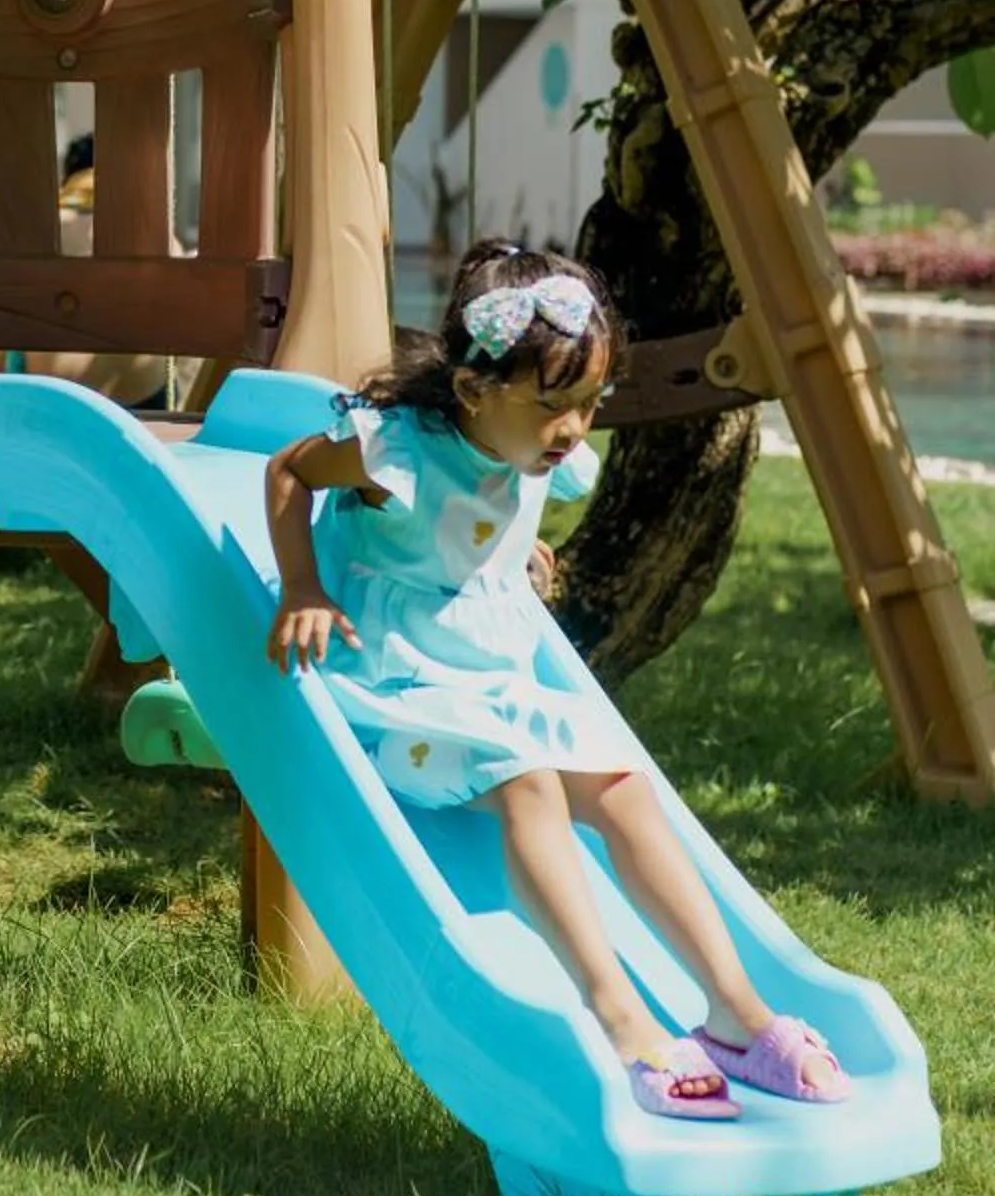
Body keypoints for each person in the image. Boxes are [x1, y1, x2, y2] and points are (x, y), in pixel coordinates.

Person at [263, 240, 851, 1122]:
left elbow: (487, 508)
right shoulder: (396, 452)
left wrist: (507, 550)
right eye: (556, 407)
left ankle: (736, 1010)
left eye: (589, 402)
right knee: (530, 783)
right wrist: (303, 588)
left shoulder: (530, 444)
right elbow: (286, 472)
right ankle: (619, 1014)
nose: (576, 428)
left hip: (492, 672)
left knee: (623, 788)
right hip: (398, 680)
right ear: (471, 392)